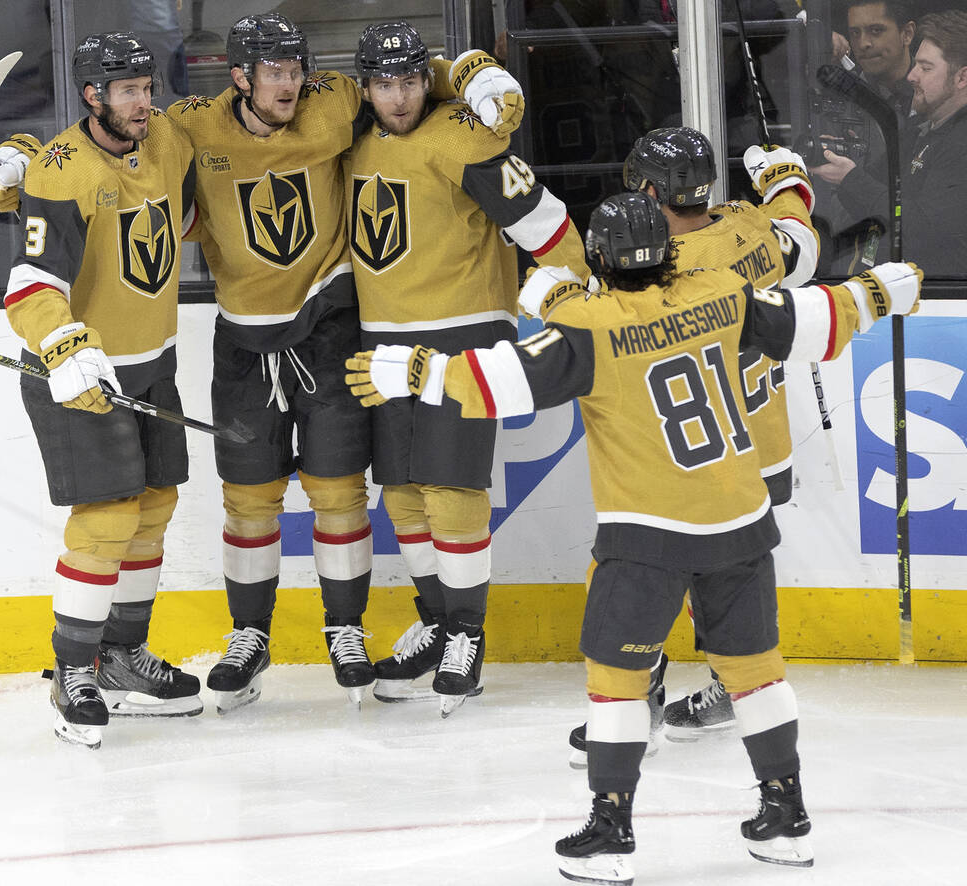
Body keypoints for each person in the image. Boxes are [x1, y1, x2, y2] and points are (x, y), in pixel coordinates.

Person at [345, 190, 922, 881]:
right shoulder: (722, 292)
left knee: (616, 682)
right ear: (667, 251)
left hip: (646, 536)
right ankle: (786, 818)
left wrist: (417, 371)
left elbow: (505, 379)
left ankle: (611, 830)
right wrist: (877, 292)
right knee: (757, 673)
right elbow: (815, 320)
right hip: (740, 523)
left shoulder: (590, 324)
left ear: (599, 260)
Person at [0, 12, 526, 713]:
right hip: (238, 338)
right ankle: (245, 637)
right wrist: (20, 156)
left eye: (296, 68)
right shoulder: (191, 127)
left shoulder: (329, 101)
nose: (289, 83)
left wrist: (479, 73)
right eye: (273, 72)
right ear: (238, 77)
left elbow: (407, 78)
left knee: (334, 491)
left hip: (327, 325)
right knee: (246, 501)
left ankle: (344, 628)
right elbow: (75, 157)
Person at [348, 21, 590, 715]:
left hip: (462, 334)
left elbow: (544, 221)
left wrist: (582, 297)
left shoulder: (467, 135)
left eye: (411, 80)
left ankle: (467, 635)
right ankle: (438, 617)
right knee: (401, 493)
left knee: (452, 492)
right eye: (384, 84)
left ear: (428, 77)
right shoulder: (353, 136)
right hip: (381, 339)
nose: (398, 97)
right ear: (366, 87)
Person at [554, 127, 819, 759]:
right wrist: (786, 175)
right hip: (765, 445)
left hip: (690, 457)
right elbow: (800, 242)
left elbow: (600, 323)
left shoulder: (667, 268)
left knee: (627, 576)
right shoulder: (751, 229)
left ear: (648, 189)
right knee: (725, 577)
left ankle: (638, 693)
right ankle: (737, 684)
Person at [0, 32, 202, 748]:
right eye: (129, 91)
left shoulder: (168, 136)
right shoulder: (60, 173)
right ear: (92, 97)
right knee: (107, 517)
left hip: (152, 363)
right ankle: (73, 670)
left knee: (153, 507)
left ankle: (120, 659)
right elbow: (30, 286)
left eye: (148, 87)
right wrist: (64, 346)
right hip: (81, 374)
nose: (145, 102)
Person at [811, 1, 916, 272]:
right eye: (855, 33)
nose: (864, 43)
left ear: (907, 34)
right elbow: (828, 201)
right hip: (858, 255)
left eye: (876, 30)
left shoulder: (937, 90)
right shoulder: (838, 98)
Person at [900, 10, 967, 275]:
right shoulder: (919, 131)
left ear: (962, 78)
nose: (911, 76)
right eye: (916, 64)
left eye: (926, 68)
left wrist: (850, 179)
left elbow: (922, 229)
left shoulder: (961, 143)